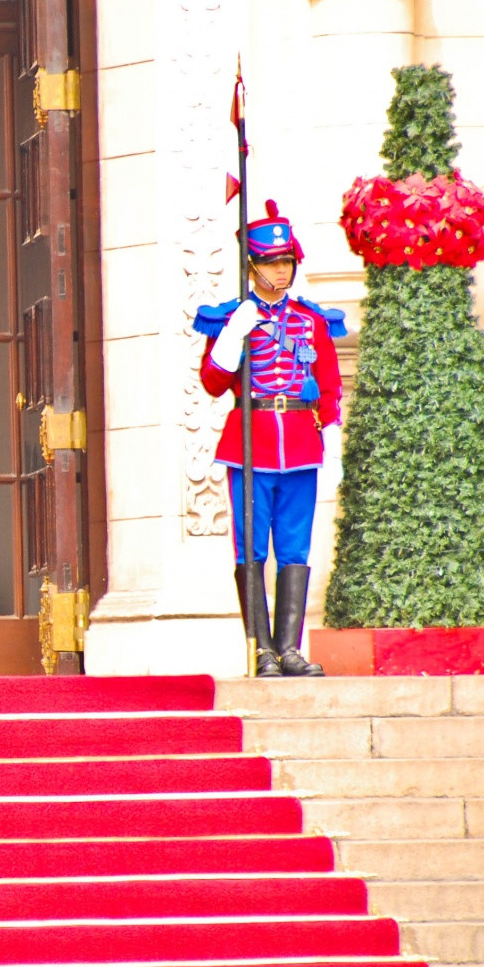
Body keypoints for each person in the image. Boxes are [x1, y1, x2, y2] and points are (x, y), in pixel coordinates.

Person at [194, 201, 345, 677]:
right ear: (253, 267)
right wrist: (229, 337)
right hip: (251, 447)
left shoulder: (310, 319)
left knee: (295, 549)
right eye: (272, 263)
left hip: (301, 445)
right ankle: (261, 650)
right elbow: (213, 384)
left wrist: (333, 443)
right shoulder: (230, 319)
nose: (281, 271)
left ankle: (290, 648)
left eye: (286, 262)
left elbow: (330, 385)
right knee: (252, 550)